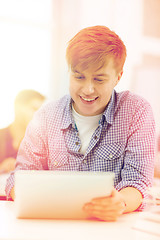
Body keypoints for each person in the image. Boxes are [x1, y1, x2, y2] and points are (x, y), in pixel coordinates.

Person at [6, 26, 155, 221]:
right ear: (68, 72)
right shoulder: (45, 116)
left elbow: (138, 182)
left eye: (99, 79)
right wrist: (27, 196)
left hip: (114, 228)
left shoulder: (136, 111)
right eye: (79, 77)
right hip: (53, 226)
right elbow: (19, 177)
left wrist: (121, 202)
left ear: (118, 77)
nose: (88, 89)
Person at [0, 89, 45, 173]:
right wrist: (1, 168)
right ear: (17, 107)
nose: (38, 115)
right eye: (34, 109)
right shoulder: (1, 135)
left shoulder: (41, 142)